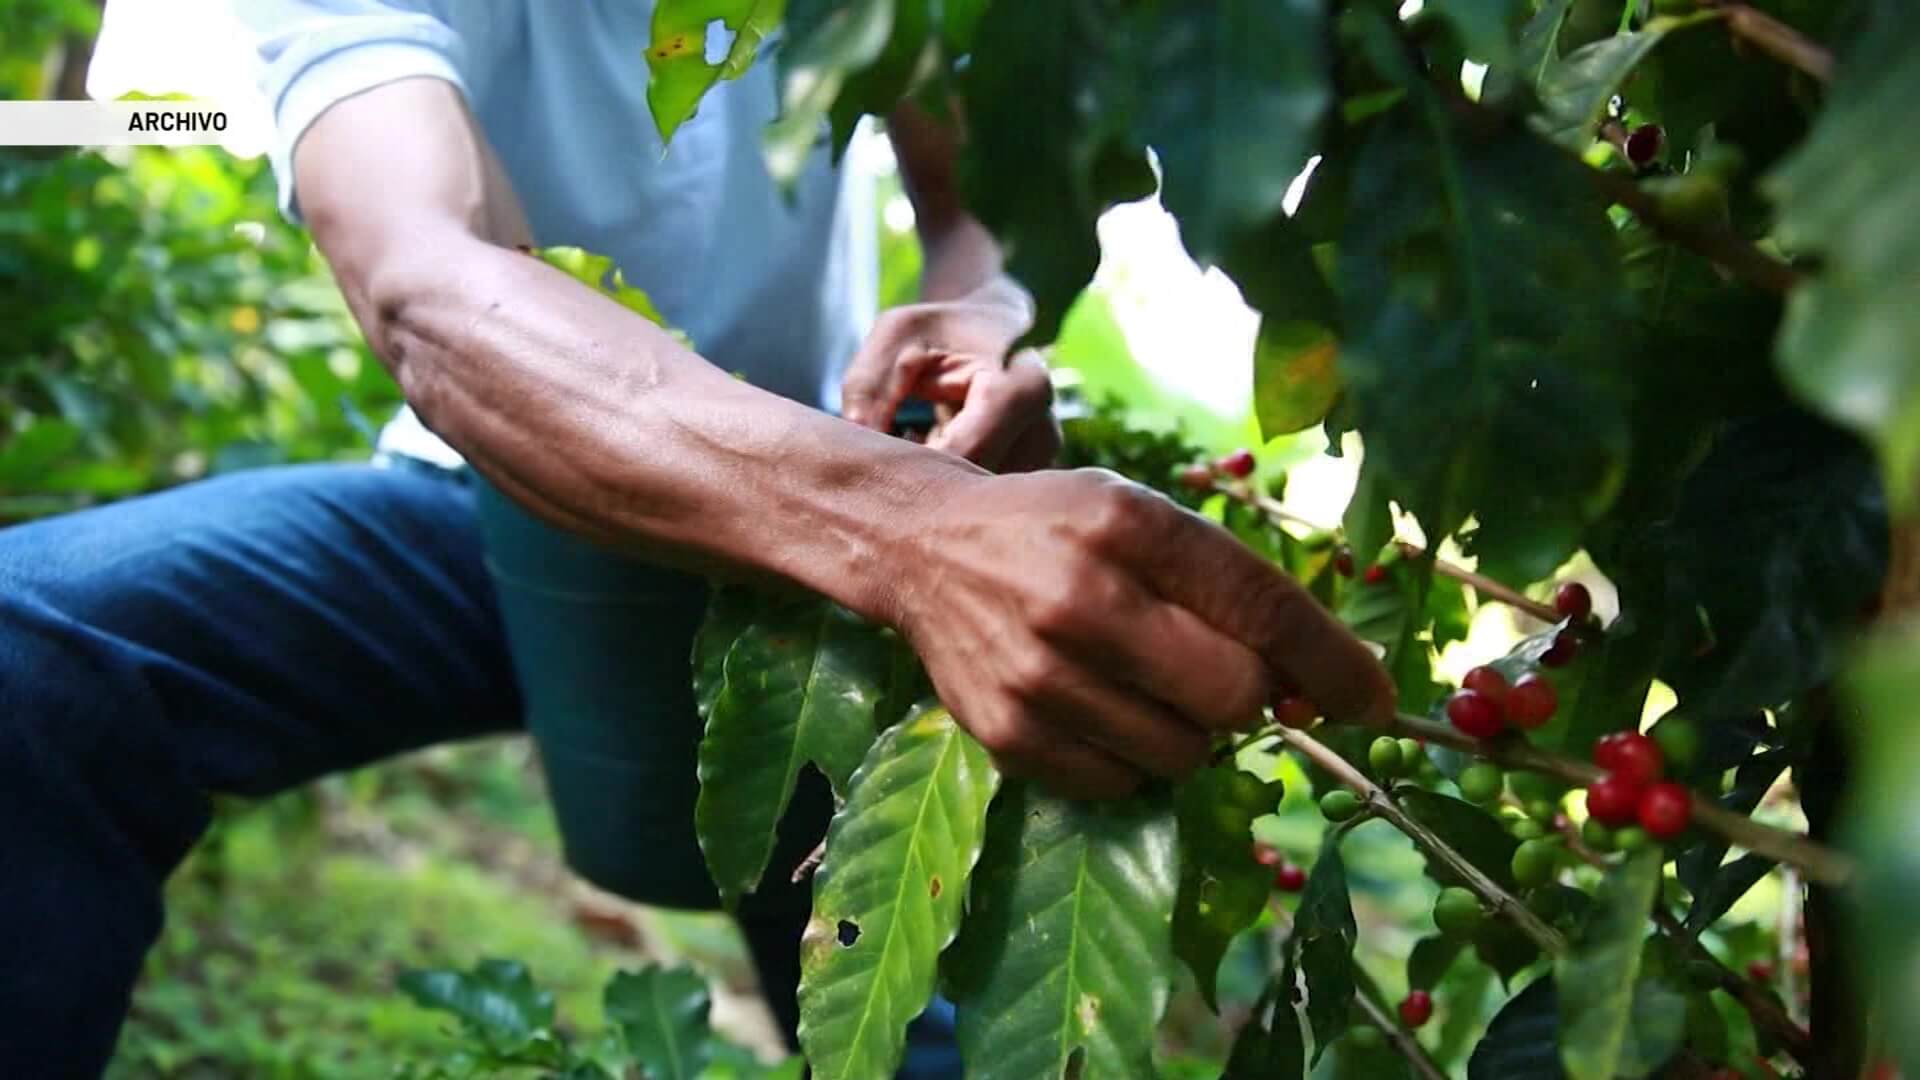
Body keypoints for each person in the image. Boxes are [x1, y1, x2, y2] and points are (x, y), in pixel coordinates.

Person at [0, 1, 1395, 1075]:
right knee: (35, 645)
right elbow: (425, 281)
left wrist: (990, 315)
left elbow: (979, 209)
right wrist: (912, 536)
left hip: (797, 558)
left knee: (924, 1000)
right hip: (485, 504)